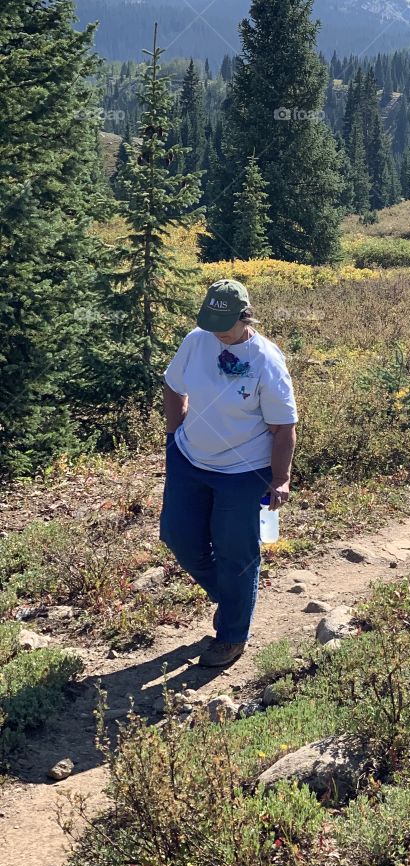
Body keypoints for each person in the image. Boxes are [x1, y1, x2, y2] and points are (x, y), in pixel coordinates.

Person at [160, 278, 297, 668]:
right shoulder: (196, 340)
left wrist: (281, 477)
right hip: (190, 459)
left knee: (236, 553)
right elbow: (172, 386)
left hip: (244, 470)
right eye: (209, 321)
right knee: (178, 535)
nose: (216, 331)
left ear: (244, 316)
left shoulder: (267, 361)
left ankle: (232, 634)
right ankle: (233, 596)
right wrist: (173, 436)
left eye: (223, 323)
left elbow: (284, 426)